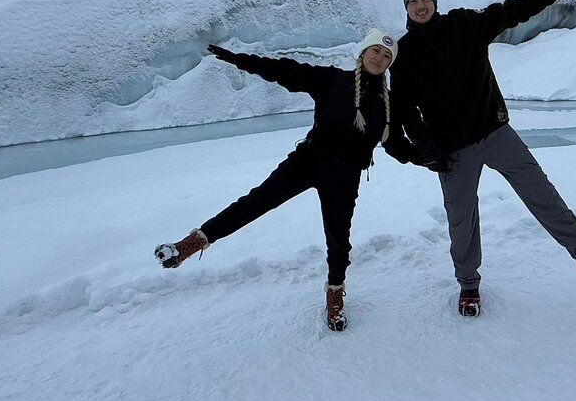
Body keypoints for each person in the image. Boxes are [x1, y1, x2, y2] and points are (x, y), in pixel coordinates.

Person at [154, 28, 440, 331]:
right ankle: (192, 242)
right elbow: (285, 71)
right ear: (364, 52)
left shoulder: (387, 106)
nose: (379, 58)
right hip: (308, 161)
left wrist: (429, 160)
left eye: (386, 56)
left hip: (345, 177)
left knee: (339, 240)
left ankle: (335, 293)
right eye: (375, 51)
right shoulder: (333, 80)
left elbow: (397, 146)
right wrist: (240, 60)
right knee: (256, 201)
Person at [391, 0, 576, 316]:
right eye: (413, 1)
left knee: (542, 194)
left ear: (434, 0)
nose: (420, 5)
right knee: (461, 219)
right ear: (406, 7)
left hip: (495, 132)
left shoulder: (465, 23)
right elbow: (405, 109)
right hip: (453, 151)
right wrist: (426, 148)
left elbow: (514, 9)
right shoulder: (404, 53)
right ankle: (469, 284)